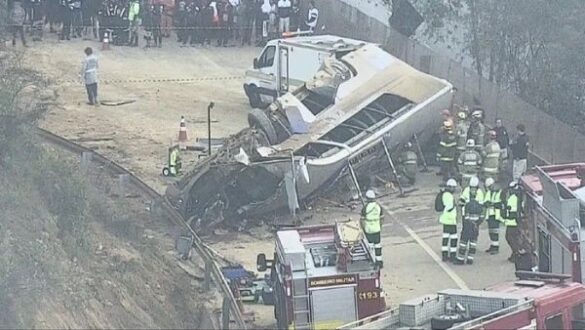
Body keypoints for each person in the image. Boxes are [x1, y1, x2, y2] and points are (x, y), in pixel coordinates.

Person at [454, 186, 482, 265]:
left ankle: (460, 259)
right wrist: (477, 224)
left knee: (463, 243)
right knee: (473, 243)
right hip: (476, 228)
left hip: (468, 227)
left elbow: (466, 217)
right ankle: (470, 259)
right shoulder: (479, 206)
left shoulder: (468, 205)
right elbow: (481, 217)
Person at [360, 190, 383, 268]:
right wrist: (380, 226)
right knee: (378, 245)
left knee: (370, 246)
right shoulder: (378, 206)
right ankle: (379, 261)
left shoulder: (365, 208)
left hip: (368, 230)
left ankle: (372, 262)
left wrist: (363, 229)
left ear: (367, 198)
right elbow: (382, 218)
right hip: (377, 229)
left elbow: (362, 220)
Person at [438, 179, 458, 262]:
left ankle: (445, 255)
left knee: (446, 237)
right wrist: (454, 204)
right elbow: (449, 207)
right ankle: (452, 256)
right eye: (453, 187)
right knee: (454, 238)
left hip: (446, 219)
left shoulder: (445, 194)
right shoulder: (448, 195)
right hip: (450, 220)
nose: (454, 189)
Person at [503, 181, 522, 262]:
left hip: (513, 222)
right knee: (513, 238)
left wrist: (506, 212)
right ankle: (515, 253)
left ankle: (516, 253)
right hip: (514, 222)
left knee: (510, 238)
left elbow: (512, 211)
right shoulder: (516, 197)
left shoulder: (513, 198)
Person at [483, 177, 503, 254]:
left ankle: (496, 247)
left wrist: (492, 204)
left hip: (496, 215)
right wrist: (490, 204)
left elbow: (499, 204)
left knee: (495, 231)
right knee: (491, 231)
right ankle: (493, 245)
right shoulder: (489, 193)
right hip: (490, 214)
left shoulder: (499, 192)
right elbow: (486, 202)